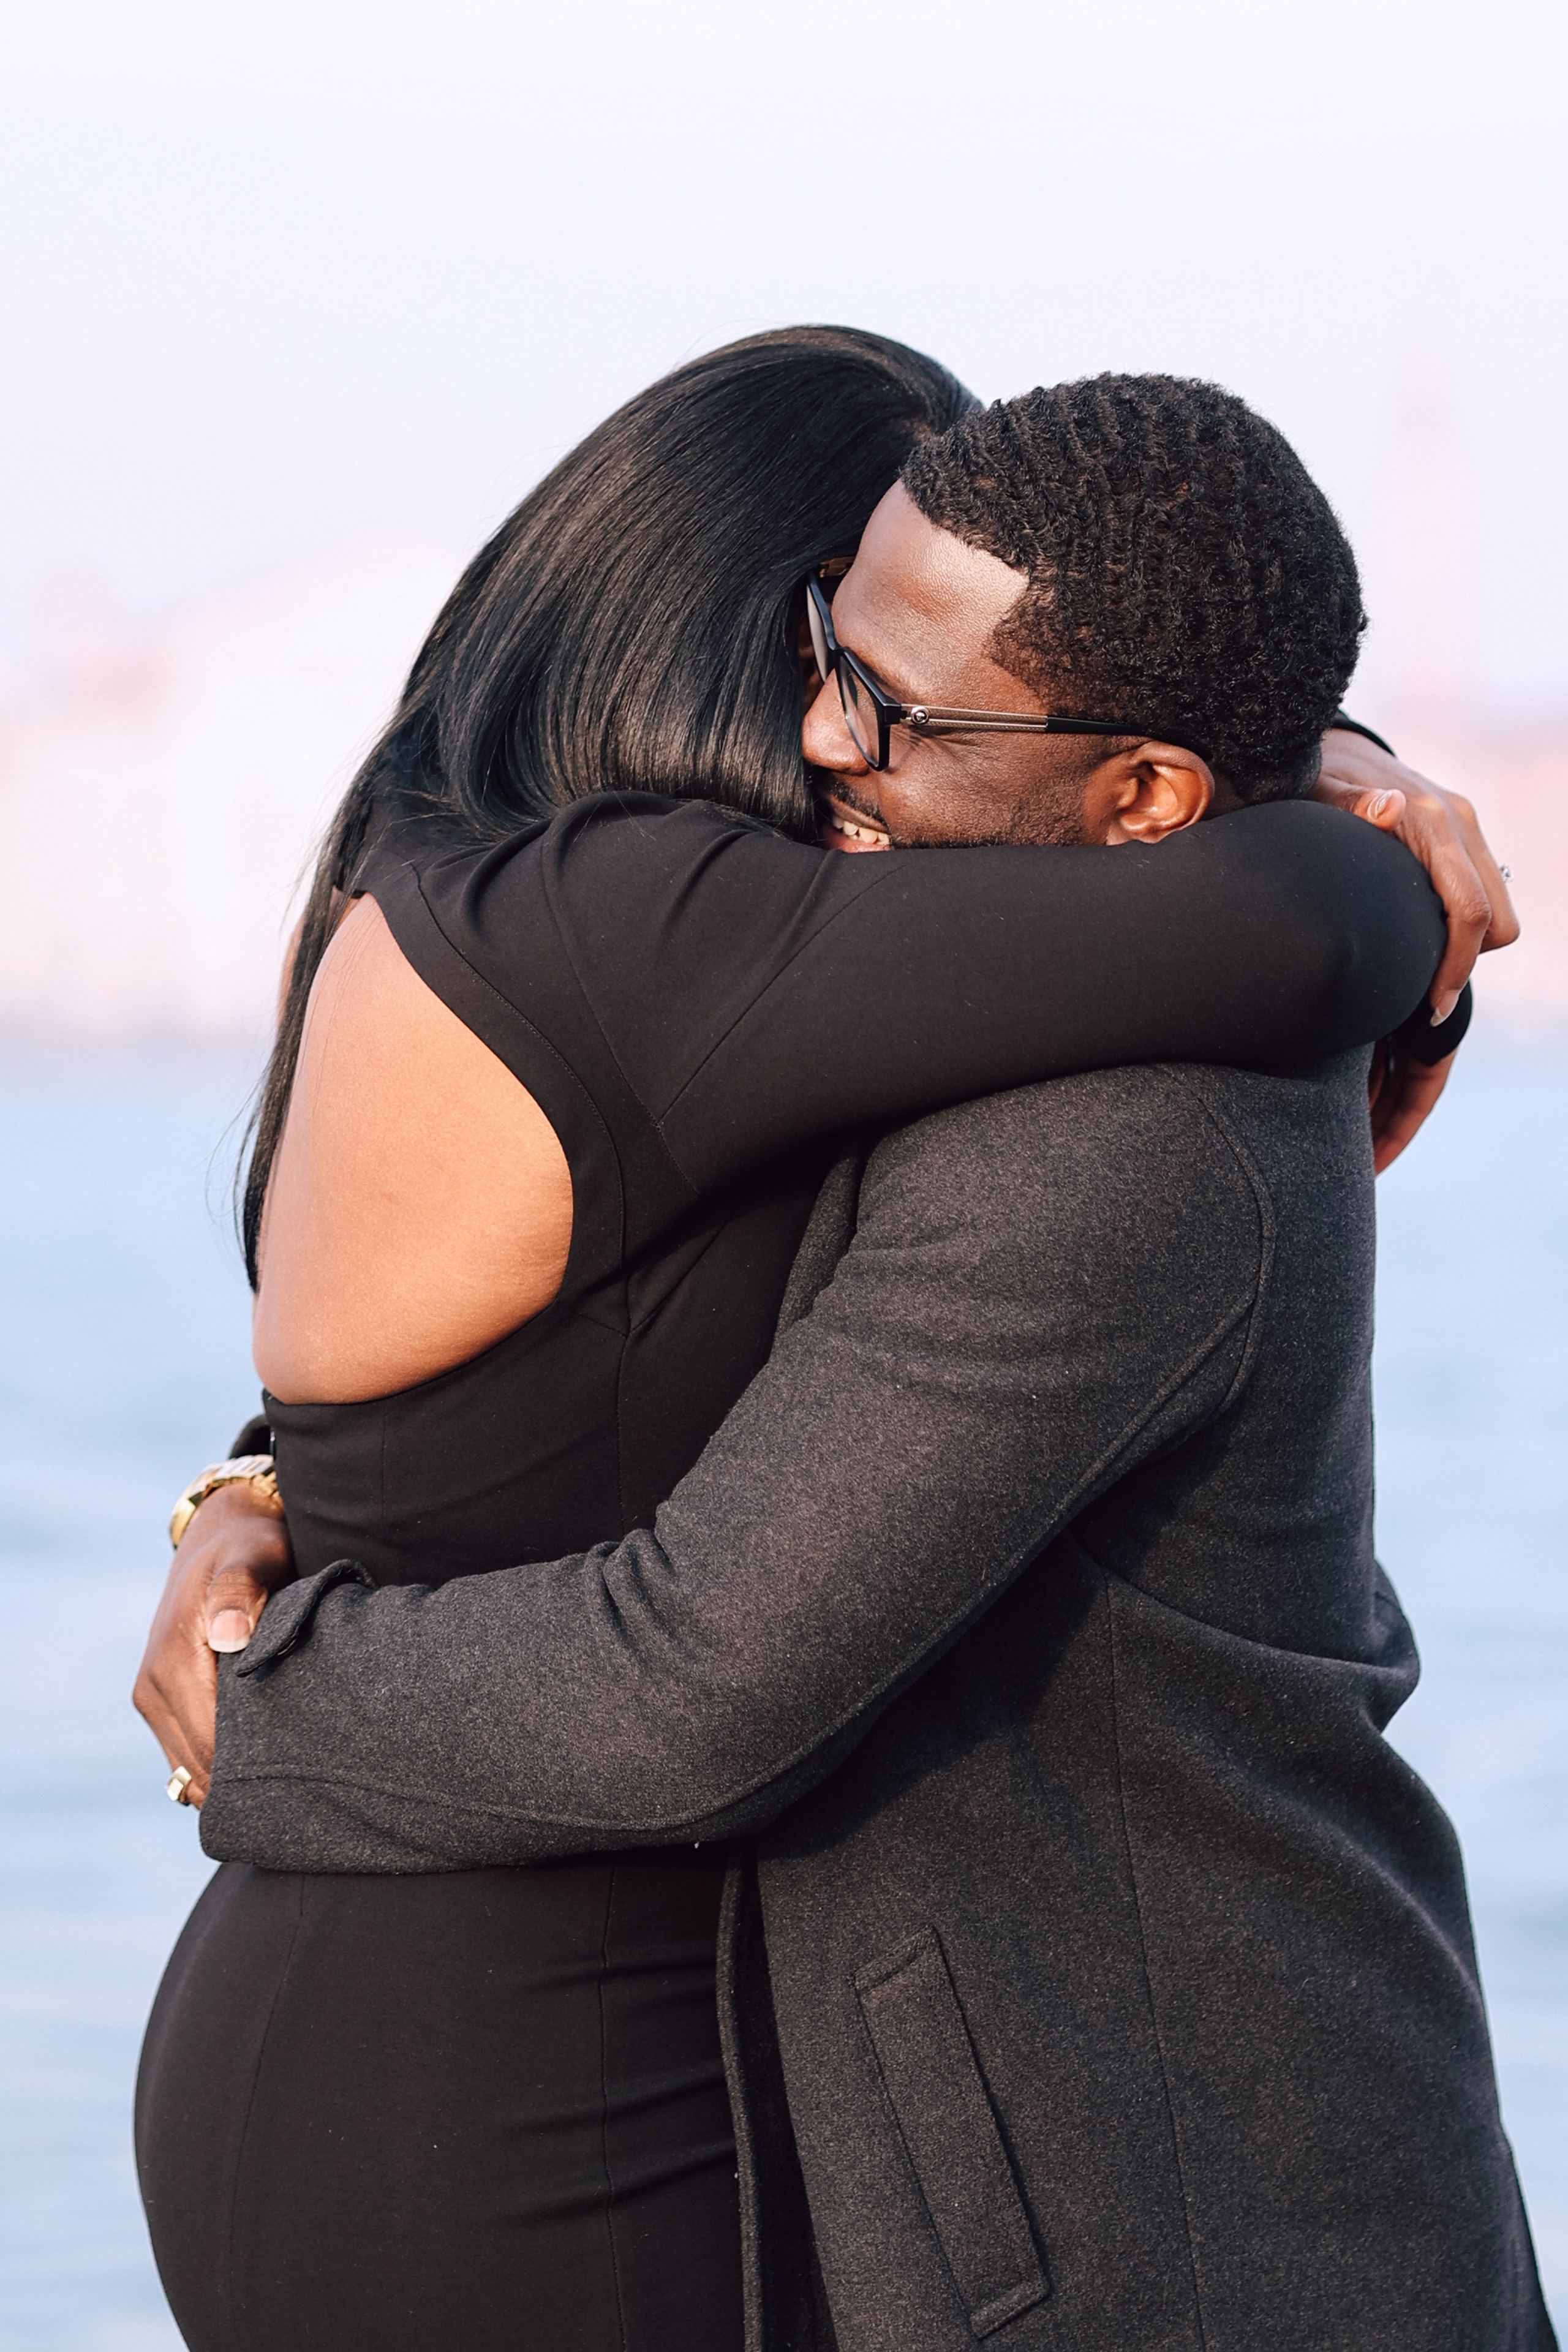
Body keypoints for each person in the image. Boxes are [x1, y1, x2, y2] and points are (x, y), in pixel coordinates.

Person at [135, 354, 1517, 2352]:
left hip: (1191, 2220)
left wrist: (268, 1635)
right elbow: (1307, 916)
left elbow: (611, 1501)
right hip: (511, 2095)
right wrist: (1365, 832)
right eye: (818, 647)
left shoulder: (1074, 1089)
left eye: (881, 696)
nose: (819, 732)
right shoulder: (671, 938)